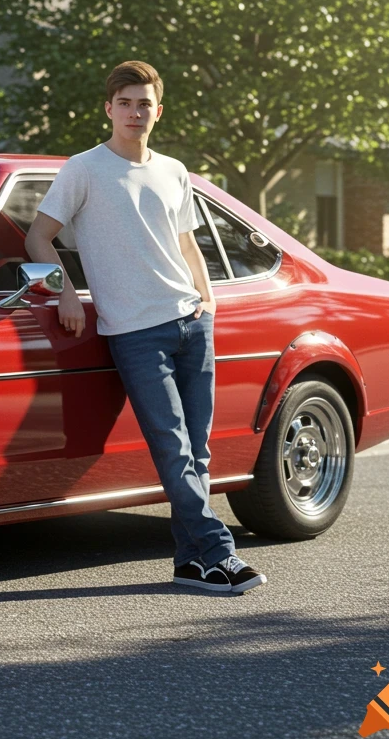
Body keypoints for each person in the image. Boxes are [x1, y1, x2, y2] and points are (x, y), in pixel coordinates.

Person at [24, 60, 266, 594]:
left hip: (191, 321)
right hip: (134, 330)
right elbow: (38, 237)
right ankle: (220, 553)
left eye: (144, 103)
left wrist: (208, 302)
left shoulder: (174, 170)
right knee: (172, 445)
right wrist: (65, 290)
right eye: (125, 102)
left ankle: (190, 563)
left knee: (197, 448)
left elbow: (187, 244)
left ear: (158, 110)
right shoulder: (83, 169)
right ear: (109, 109)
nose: (135, 112)